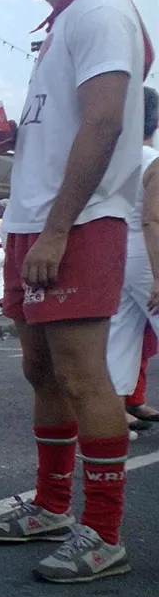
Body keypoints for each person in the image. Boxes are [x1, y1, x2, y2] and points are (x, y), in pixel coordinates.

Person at [0, 0, 151, 583]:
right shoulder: (69, 17)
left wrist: (56, 230)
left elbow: (104, 123)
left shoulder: (101, 7)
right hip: (32, 221)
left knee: (82, 376)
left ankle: (103, 534)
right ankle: (51, 506)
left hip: (76, 221)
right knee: (42, 370)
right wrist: (17, 137)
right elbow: (76, 121)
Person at [106, 87, 159, 433]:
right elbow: (152, 219)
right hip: (146, 253)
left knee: (121, 334)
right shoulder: (154, 161)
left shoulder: (113, 161)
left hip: (116, 251)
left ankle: (110, 412)